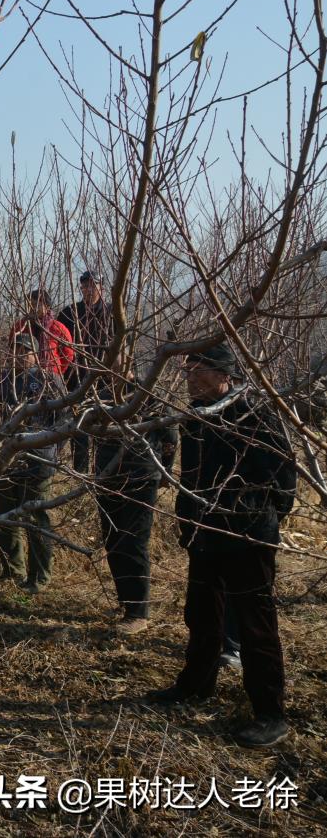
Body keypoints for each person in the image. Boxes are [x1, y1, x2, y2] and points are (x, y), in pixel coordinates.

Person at [146, 342, 297, 749]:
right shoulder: (197, 416)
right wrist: (188, 519)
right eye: (187, 371)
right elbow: (191, 476)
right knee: (201, 613)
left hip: (247, 534)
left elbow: (284, 478)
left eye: (198, 370)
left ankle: (270, 711)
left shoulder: (255, 413)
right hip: (204, 533)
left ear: (225, 374)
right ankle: (196, 684)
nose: (190, 378)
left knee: (254, 623)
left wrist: (258, 520)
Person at [91, 376, 177, 634]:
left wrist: (164, 472)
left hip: (141, 477)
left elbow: (170, 437)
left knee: (134, 542)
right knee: (113, 541)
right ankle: (126, 602)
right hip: (107, 476)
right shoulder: (99, 393)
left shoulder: (147, 391)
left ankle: (139, 612)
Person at [0, 333, 63, 593]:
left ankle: (39, 578)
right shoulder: (2, 379)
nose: (18, 355)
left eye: (24, 351)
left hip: (38, 459)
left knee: (34, 519)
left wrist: (52, 452)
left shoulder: (48, 380)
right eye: (15, 350)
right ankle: (12, 572)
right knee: (1, 516)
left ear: (34, 354)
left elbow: (64, 420)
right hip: (7, 458)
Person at [57, 271, 116, 471]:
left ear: (102, 288)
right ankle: (79, 472)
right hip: (75, 378)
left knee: (103, 426)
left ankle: (101, 471)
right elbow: (57, 344)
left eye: (93, 286)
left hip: (105, 380)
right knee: (79, 426)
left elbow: (123, 346)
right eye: (84, 287)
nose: (88, 290)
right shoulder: (69, 313)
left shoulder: (112, 313)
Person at [9, 288, 74, 378]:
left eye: (36, 305)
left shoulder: (58, 328)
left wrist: (56, 372)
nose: (32, 308)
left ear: (47, 307)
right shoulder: (20, 326)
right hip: (23, 376)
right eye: (29, 305)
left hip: (50, 376)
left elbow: (68, 355)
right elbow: (11, 350)